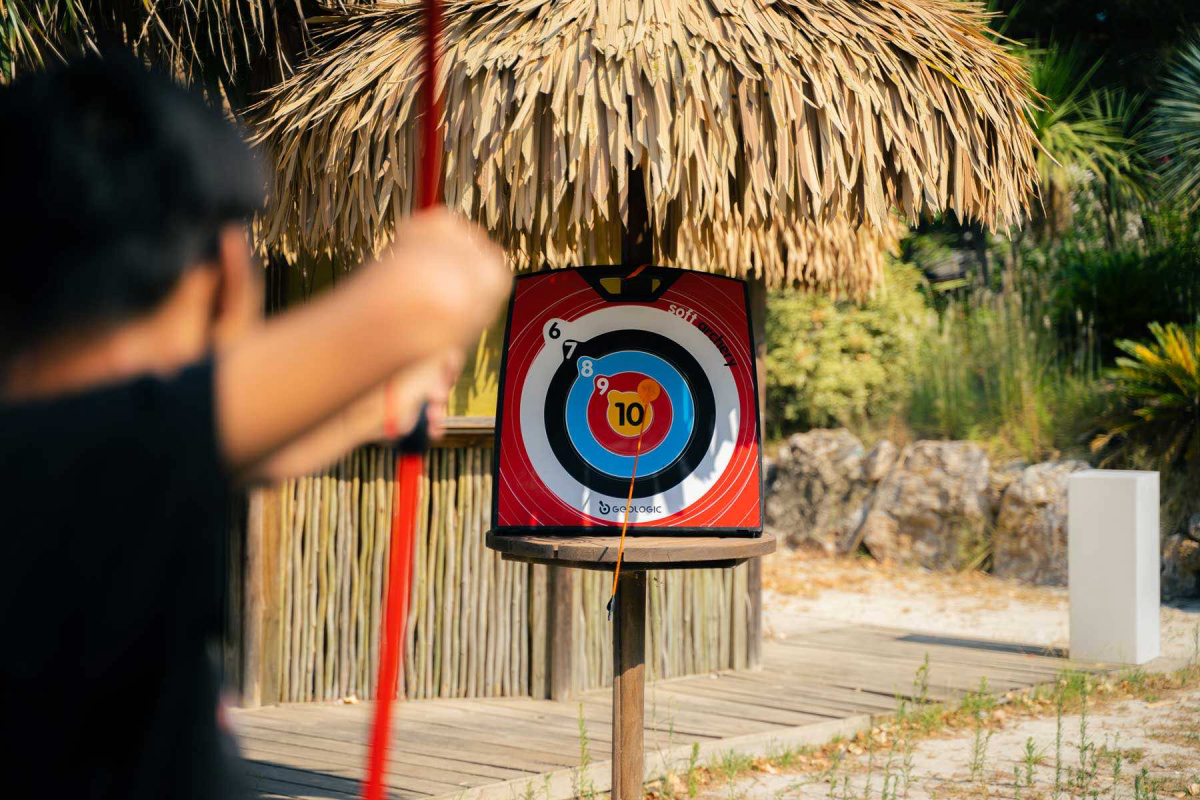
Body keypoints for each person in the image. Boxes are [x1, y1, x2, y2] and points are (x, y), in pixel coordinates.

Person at [0, 54, 509, 799]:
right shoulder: (70, 462)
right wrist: (434, 260)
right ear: (224, 268)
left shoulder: (60, 467)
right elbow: (442, 287)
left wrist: (371, 406)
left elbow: (214, 454)